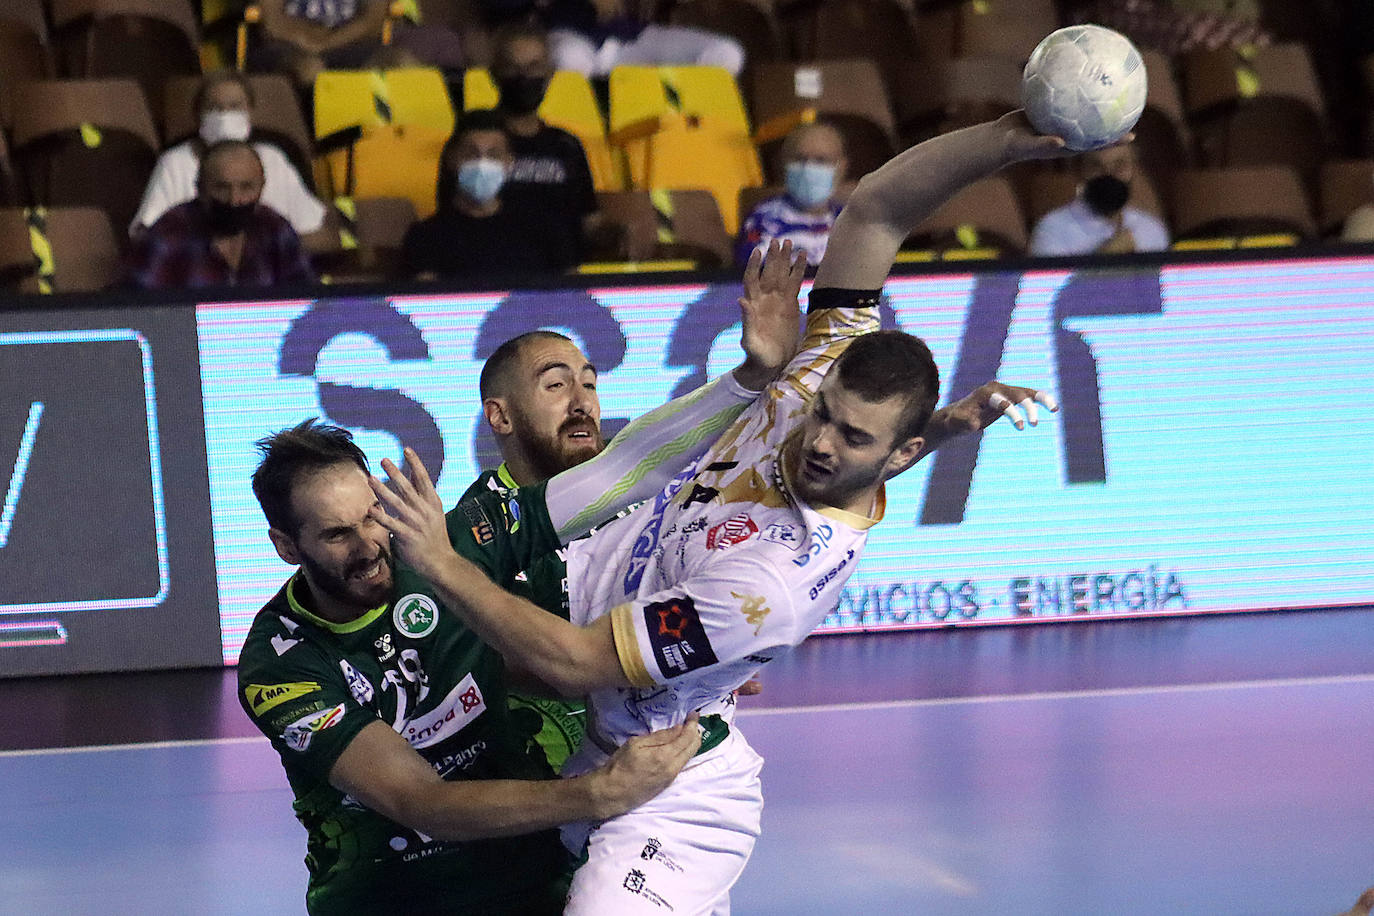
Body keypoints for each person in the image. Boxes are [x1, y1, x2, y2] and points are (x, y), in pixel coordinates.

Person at [369, 111, 1073, 914]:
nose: (820, 444)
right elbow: (877, 209)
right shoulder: (812, 376)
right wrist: (1010, 139)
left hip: (673, 784)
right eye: (824, 414)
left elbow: (569, 665)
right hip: (593, 730)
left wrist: (444, 566)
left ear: (898, 456)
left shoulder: (774, 584)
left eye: (853, 438)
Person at [238, 257, 803, 913]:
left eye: (374, 515)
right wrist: (600, 793)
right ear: (287, 548)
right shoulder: (282, 664)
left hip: (530, 865)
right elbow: (422, 802)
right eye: (338, 536)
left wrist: (751, 379)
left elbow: (630, 466)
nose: (370, 547)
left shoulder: (440, 544)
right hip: (395, 894)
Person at [130, 71, 326, 238]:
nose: (224, 115)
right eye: (213, 108)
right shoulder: (174, 163)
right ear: (197, 114)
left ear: (250, 111)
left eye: (234, 107)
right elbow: (146, 231)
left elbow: (311, 226)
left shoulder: (273, 158)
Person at [401, 110, 578, 279]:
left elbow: (575, 296)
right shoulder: (425, 237)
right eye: (471, 154)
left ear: (509, 162)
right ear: (452, 158)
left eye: (493, 155)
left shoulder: (545, 229)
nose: (482, 163)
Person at [490, 24, 612, 262]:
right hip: (498, 271)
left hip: (562, 277)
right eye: (513, 68)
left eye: (534, 67)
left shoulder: (566, 146)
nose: (524, 77)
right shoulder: (476, 142)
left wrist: (614, 235)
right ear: (494, 73)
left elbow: (590, 223)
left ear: (550, 74)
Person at [125, 140, 316, 290]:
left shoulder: (275, 228)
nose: (235, 200)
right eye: (222, 188)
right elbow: (139, 312)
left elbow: (307, 300)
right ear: (200, 189)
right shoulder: (169, 233)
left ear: (261, 187)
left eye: (247, 187)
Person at [735, 121, 849, 269]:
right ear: (784, 164)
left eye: (821, 160)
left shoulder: (851, 222)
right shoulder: (762, 219)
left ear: (841, 167)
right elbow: (750, 274)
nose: (808, 167)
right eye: (799, 159)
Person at [1029, 144, 1170, 257]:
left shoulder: (1151, 229)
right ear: (1080, 171)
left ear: (1133, 169)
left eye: (1119, 166)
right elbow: (1055, 291)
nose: (1109, 174)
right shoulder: (1052, 230)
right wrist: (1108, 254)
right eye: (1096, 166)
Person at [542, 0, 745, 78]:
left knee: (725, 53)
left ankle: (680, 132)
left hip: (632, 35)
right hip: (569, 32)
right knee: (569, 63)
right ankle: (582, 154)